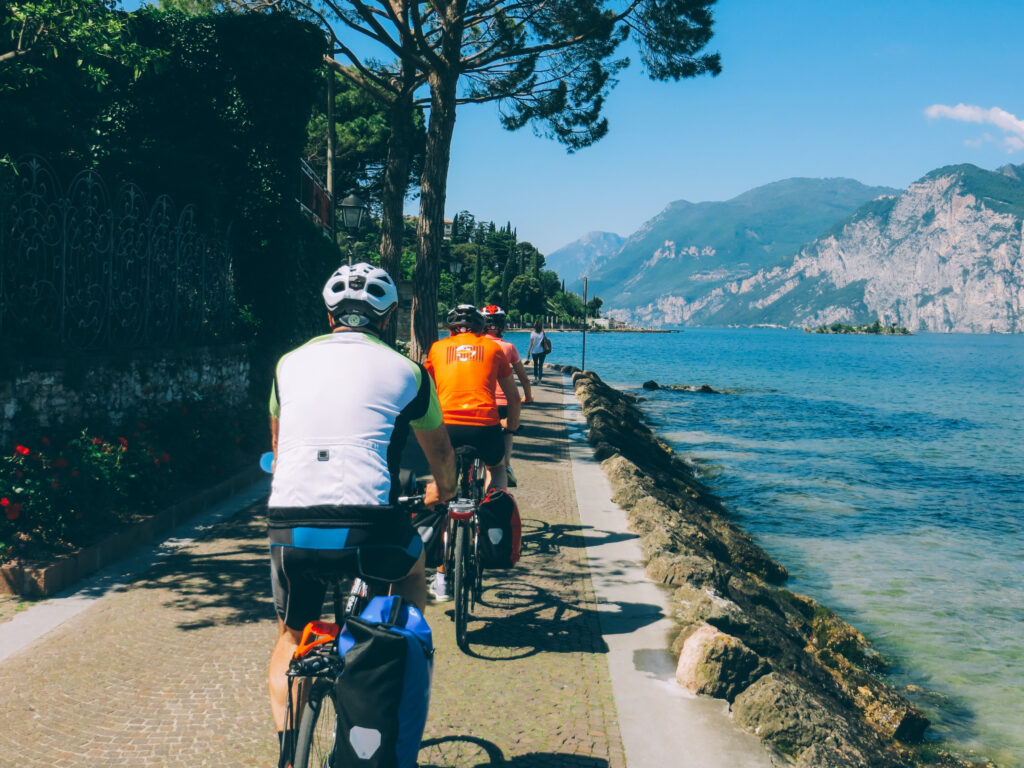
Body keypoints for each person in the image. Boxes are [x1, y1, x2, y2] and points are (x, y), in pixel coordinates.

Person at [266, 262, 457, 754]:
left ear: (328, 315)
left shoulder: (287, 365)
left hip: (292, 527)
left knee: (290, 638)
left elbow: (280, 446)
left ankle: (289, 753)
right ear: (390, 318)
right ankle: (394, 646)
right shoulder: (409, 371)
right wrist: (445, 491)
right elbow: (440, 454)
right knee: (413, 570)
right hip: (370, 528)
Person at [424, 304, 521, 600]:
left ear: (451, 328)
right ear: (482, 328)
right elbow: (513, 397)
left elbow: (425, 389)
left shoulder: (438, 348)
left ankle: (440, 579)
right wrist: (511, 427)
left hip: (447, 428)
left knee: (444, 495)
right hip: (484, 427)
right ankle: (494, 518)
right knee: (498, 468)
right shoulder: (493, 350)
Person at [481, 304, 533, 487]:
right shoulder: (509, 348)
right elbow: (523, 378)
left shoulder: (476, 346)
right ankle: (508, 466)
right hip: (503, 404)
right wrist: (528, 396)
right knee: (508, 431)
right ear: (502, 325)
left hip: (480, 402)